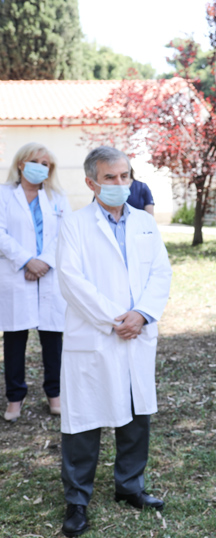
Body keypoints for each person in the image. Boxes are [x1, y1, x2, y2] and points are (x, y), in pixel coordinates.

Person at [56, 146, 173, 537]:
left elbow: (160, 272)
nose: (120, 184)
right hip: (94, 335)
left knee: (137, 414)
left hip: (137, 331)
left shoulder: (144, 222)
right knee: (83, 422)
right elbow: (72, 281)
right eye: (110, 178)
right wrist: (114, 319)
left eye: (125, 176)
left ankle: (130, 486)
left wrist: (140, 314)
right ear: (91, 182)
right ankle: (77, 501)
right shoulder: (74, 224)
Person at [0, 143, 71, 422]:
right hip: (16, 273)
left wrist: (43, 262)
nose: (41, 167)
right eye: (35, 161)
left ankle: (55, 394)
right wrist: (27, 260)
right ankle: (14, 399)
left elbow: (65, 234)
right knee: (14, 340)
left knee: (53, 340)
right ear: (20, 164)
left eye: (46, 163)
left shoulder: (58, 197)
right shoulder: (4, 195)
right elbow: (1, 233)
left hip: (49, 275)